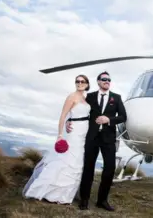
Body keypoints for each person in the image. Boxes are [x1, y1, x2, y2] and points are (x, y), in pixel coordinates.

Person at [22, 74, 91, 204]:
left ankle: (64, 195)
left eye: (82, 81)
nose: (79, 83)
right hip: (73, 133)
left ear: (87, 84)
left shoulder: (85, 98)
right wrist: (60, 135)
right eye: (77, 81)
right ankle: (42, 190)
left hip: (83, 134)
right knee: (65, 160)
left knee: (77, 164)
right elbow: (63, 115)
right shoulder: (72, 97)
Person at [66, 71, 127, 211]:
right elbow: (79, 111)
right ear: (98, 81)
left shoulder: (116, 98)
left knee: (110, 168)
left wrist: (109, 120)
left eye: (109, 79)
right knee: (88, 168)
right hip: (91, 137)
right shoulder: (90, 96)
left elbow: (123, 117)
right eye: (104, 79)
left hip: (108, 139)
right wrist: (68, 120)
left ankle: (102, 200)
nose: (107, 81)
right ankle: (84, 199)